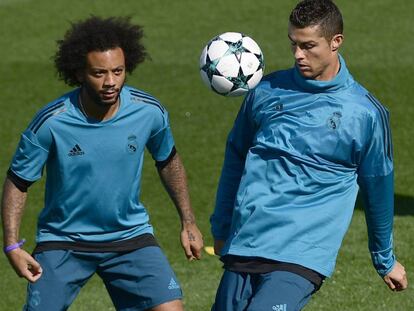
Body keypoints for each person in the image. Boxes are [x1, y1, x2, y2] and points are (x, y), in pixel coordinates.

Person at [210, 0, 408, 310]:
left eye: (308, 46)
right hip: (247, 240)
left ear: (335, 42)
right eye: (293, 44)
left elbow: (378, 188)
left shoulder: (365, 113)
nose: (298, 55)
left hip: (301, 253)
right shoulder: (266, 91)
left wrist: (384, 259)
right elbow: (236, 157)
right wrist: (221, 227)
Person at [1, 16, 203, 311]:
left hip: (129, 236)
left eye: (118, 71)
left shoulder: (149, 112)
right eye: (99, 73)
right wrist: (11, 245)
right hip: (63, 240)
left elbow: (168, 161)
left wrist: (188, 221)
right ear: (80, 73)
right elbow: (18, 181)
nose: (110, 82)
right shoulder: (52, 122)